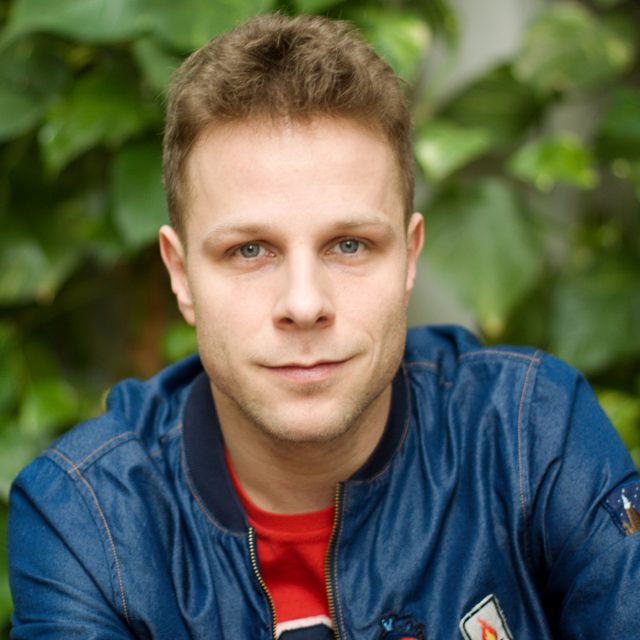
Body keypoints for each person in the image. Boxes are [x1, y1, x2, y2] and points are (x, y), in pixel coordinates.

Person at [8, 12, 640, 640]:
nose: (305, 304)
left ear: (409, 258)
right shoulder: (87, 517)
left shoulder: (531, 434)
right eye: (249, 250)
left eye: (350, 245)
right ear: (181, 274)